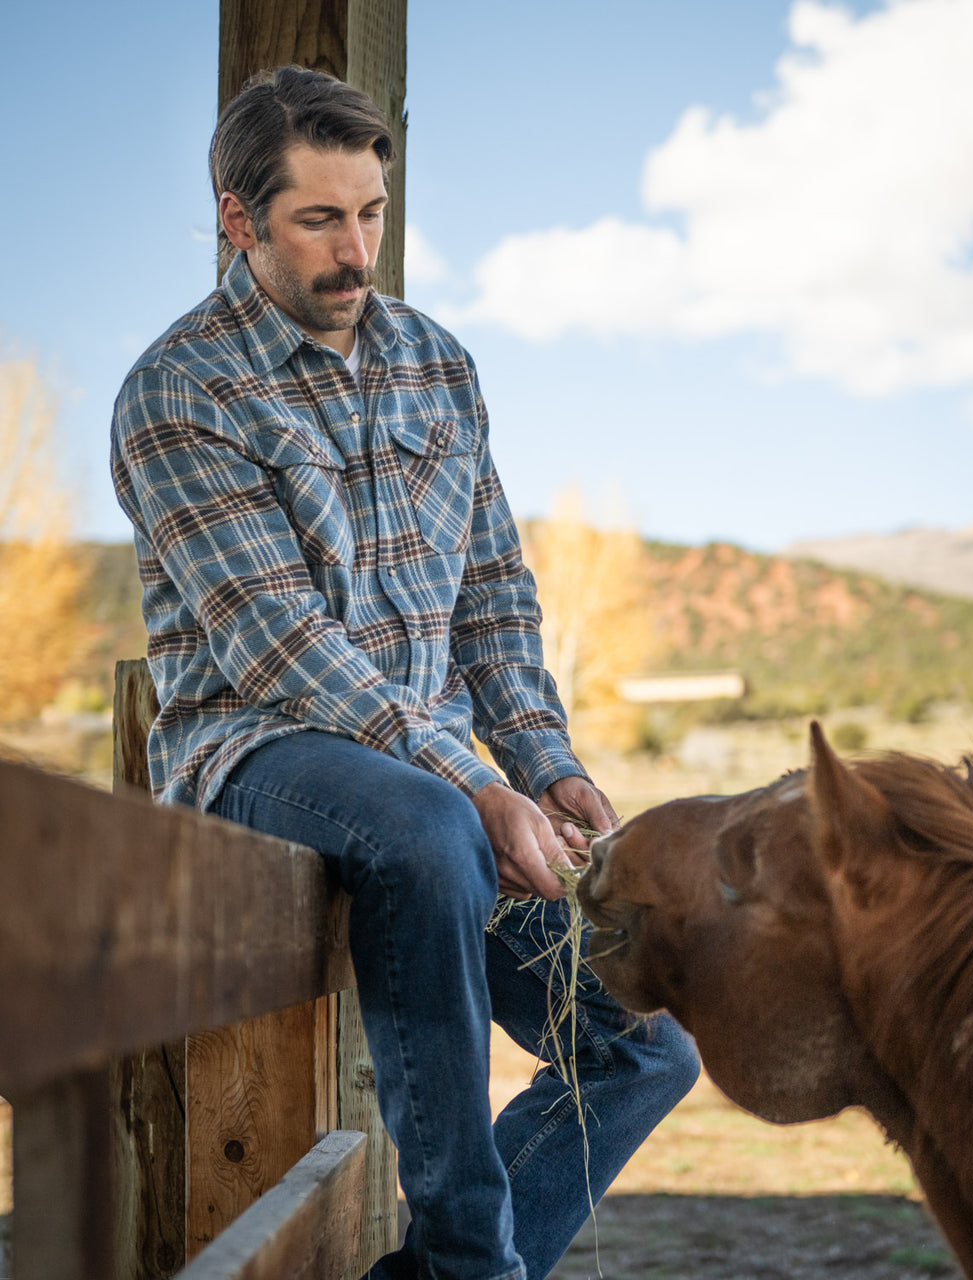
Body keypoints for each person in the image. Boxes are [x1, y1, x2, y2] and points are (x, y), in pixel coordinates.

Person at [111, 65, 700, 1280]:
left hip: (435, 777)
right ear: (239, 219)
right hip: (261, 750)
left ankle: (437, 1276)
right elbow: (278, 641)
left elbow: (492, 592)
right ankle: (469, 1261)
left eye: (371, 212)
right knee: (434, 822)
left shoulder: (440, 364)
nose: (355, 249)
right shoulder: (180, 389)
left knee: (645, 1051)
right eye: (319, 219)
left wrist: (546, 765)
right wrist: (474, 779)